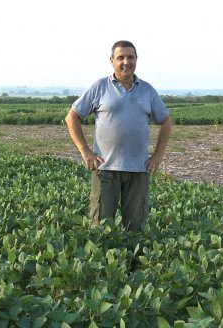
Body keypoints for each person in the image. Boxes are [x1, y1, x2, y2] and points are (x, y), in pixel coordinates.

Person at [65, 40, 172, 231]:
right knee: (100, 227)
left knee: (135, 228)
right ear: (111, 61)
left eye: (130, 57)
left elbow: (165, 121)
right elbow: (72, 117)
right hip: (105, 168)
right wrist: (85, 152)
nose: (126, 62)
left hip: (139, 170)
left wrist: (158, 155)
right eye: (120, 57)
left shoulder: (147, 90)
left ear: (136, 60)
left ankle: (132, 261)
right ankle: (102, 261)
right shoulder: (99, 87)